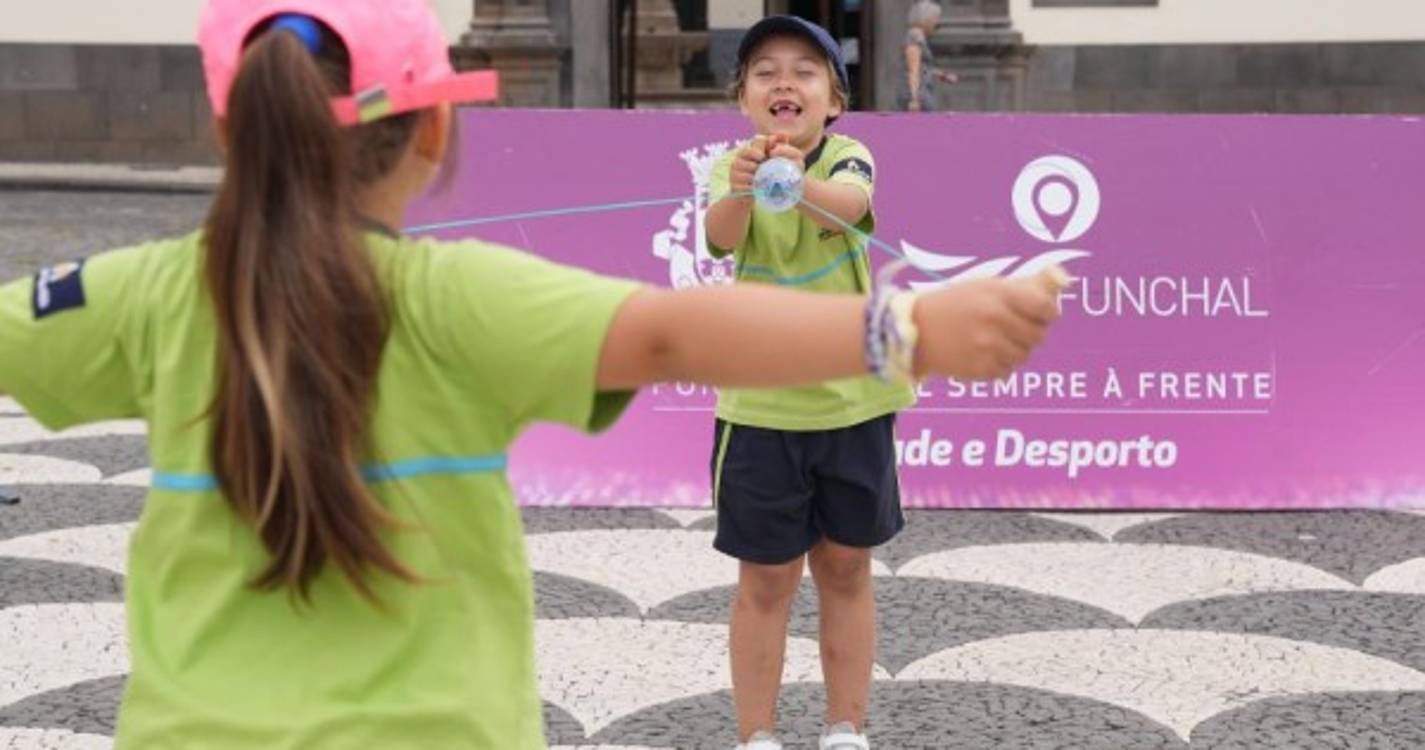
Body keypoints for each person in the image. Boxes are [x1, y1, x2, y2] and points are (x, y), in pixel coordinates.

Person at [0, 1, 1061, 747]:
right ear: (436, 130)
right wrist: (904, 329)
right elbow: (669, 335)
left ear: (228, 127)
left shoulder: (144, 294)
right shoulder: (458, 294)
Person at [704, 14, 981, 750]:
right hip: (760, 410)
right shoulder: (730, 165)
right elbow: (722, 235)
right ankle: (756, 735)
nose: (785, 83)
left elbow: (850, 207)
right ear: (744, 100)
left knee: (847, 568)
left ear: (833, 101)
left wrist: (796, 182)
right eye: (765, 73)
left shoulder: (849, 157)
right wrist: (745, 187)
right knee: (765, 581)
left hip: (855, 404)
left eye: (805, 72)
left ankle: (845, 727)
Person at [899, 0, 958, 112]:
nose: (936, 23)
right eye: (935, 18)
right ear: (926, 19)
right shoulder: (914, 38)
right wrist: (914, 98)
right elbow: (913, 70)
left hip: (923, 91)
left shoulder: (919, 38)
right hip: (919, 93)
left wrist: (943, 75)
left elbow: (924, 68)